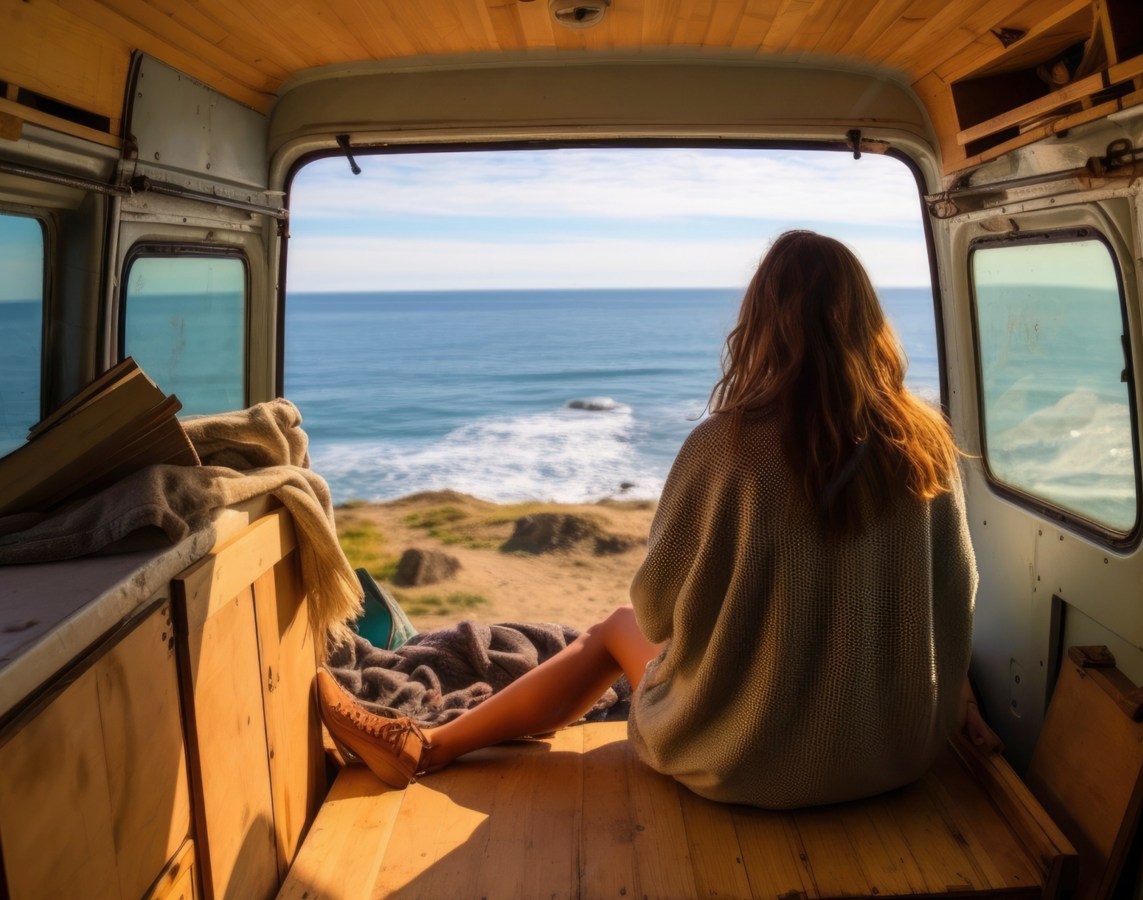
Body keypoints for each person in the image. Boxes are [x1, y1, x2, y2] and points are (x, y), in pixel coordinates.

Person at [316, 230, 1000, 807]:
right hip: (896, 752)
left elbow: (655, 610)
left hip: (739, 762)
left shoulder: (726, 444)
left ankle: (428, 746)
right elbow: (956, 594)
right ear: (866, 320)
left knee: (614, 627)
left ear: (761, 323)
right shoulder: (926, 439)